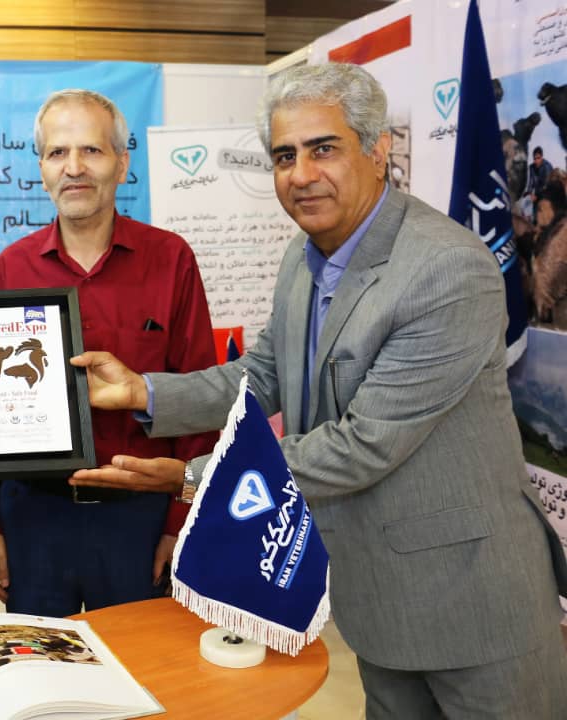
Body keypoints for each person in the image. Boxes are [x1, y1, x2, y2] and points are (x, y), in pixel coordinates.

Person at [69, 63, 567, 719]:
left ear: (378, 149)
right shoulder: (301, 259)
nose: (301, 174)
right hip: (375, 598)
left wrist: (191, 476)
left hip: (474, 604)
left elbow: (363, 445)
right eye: (284, 156)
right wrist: (142, 392)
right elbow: (262, 375)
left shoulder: (446, 267)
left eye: (322, 148)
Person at [0, 89, 219, 616]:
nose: (74, 167)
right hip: (35, 519)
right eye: (57, 153)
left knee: (143, 665)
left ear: (122, 164)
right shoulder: (11, 268)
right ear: (42, 169)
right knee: (40, 663)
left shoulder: (171, 259)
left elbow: (200, 397)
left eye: (92, 150)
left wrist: (182, 522)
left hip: (140, 520)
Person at [527, 146, 553, 219]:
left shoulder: (547, 166)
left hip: (547, 194)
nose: (536, 161)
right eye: (534, 158)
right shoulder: (531, 167)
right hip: (537, 194)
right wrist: (530, 194)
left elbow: (547, 185)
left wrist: (537, 196)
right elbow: (530, 182)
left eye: (538, 158)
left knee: (544, 216)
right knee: (534, 216)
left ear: (542, 157)